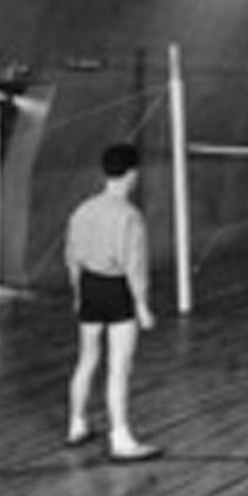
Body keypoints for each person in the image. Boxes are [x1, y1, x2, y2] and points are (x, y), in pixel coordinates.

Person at [64, 142, 162, 461]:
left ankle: (76, 425)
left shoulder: (82, 210)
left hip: (90, 288)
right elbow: (134, 265)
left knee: (87, 359)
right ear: (132, 175)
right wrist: (143, 306)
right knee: (118, 367)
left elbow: (72, 258)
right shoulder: (129, 216)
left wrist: (79, 294)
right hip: (117, 291)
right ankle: (120, 439)